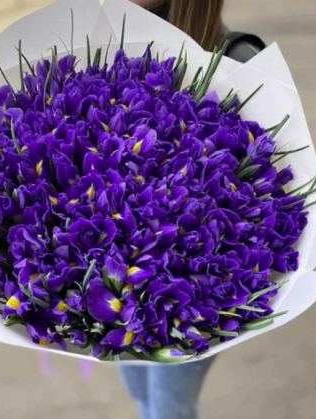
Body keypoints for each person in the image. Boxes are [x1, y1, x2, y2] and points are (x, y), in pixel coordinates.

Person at [120, 1, 265, 419]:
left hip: (194, 303)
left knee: (168, 410)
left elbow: (267, 199)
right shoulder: (115, 42)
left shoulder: (238, 61)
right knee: (140, 392)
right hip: (121, 292)